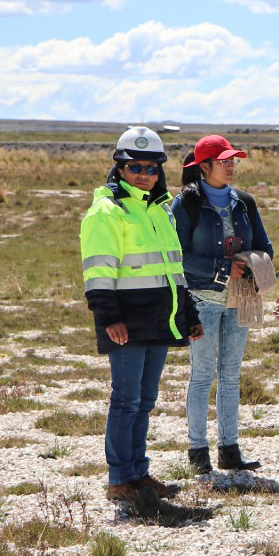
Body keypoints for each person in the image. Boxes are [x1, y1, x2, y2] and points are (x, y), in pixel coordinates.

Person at [80, 126, 209, 525]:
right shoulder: (107, 211)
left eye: (151, 168)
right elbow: (98, 273)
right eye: (134, 167)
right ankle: (120, 479)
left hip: (159, 319)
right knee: (126, 400)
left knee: (146, 399)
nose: (143, 174)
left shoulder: (160, 209)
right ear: (118, 167)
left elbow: (174, 270)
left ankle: (138, 473)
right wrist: (109, 318)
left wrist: (188, 316)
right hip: (126, 323)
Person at [173, 135, 273, 476]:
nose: (231, 165)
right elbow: (178, 256)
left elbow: (264, 245)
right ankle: (197, 450)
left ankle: (229, 450)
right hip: (202, 299)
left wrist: (255, 263)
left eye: (233, 160)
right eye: (225, 160)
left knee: (231, 375)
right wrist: (222, 268)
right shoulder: (184, 204)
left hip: (242, 296)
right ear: (204, 167)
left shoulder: (244, 202)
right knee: (202, 375)